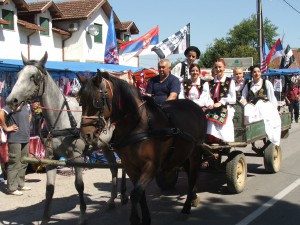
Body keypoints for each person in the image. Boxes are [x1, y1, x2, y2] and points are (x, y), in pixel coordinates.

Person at [240, 65, 281, 145]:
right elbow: (243, 97)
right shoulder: (248, 85)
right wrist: (243, 102)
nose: (256, 73)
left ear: (261, 73)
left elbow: (272, 98)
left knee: (260, 106)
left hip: (265, 105)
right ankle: (249, 130)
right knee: (247, 109)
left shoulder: (266, 83)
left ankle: (262, 128)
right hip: (252, 105)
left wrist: (276, 111)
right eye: (254, 72)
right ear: (251, 74)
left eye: (258, 71)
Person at [0, 104, 32, 196]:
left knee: (24, 162)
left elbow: (29, 116)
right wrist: (6, 128)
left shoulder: (27, 105)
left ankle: (20, 184)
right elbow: (1, 114)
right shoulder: (13, 103)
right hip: (15, 138)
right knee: (14, 162)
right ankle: (12, 188)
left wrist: (25, 127)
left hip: (25, 137)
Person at [204, 59, 236, 144]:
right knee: (207, 114)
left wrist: (222, 102)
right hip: (213, 106)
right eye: (216, 67)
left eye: (220, 67)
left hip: (226, 106)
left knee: (223, 115)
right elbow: (207, 97)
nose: (218, 69)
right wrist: (210, 104)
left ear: (224, 67)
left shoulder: (230, 81)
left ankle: (222, 139)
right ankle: (211, 138)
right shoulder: (209, 83)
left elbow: (233, 98)